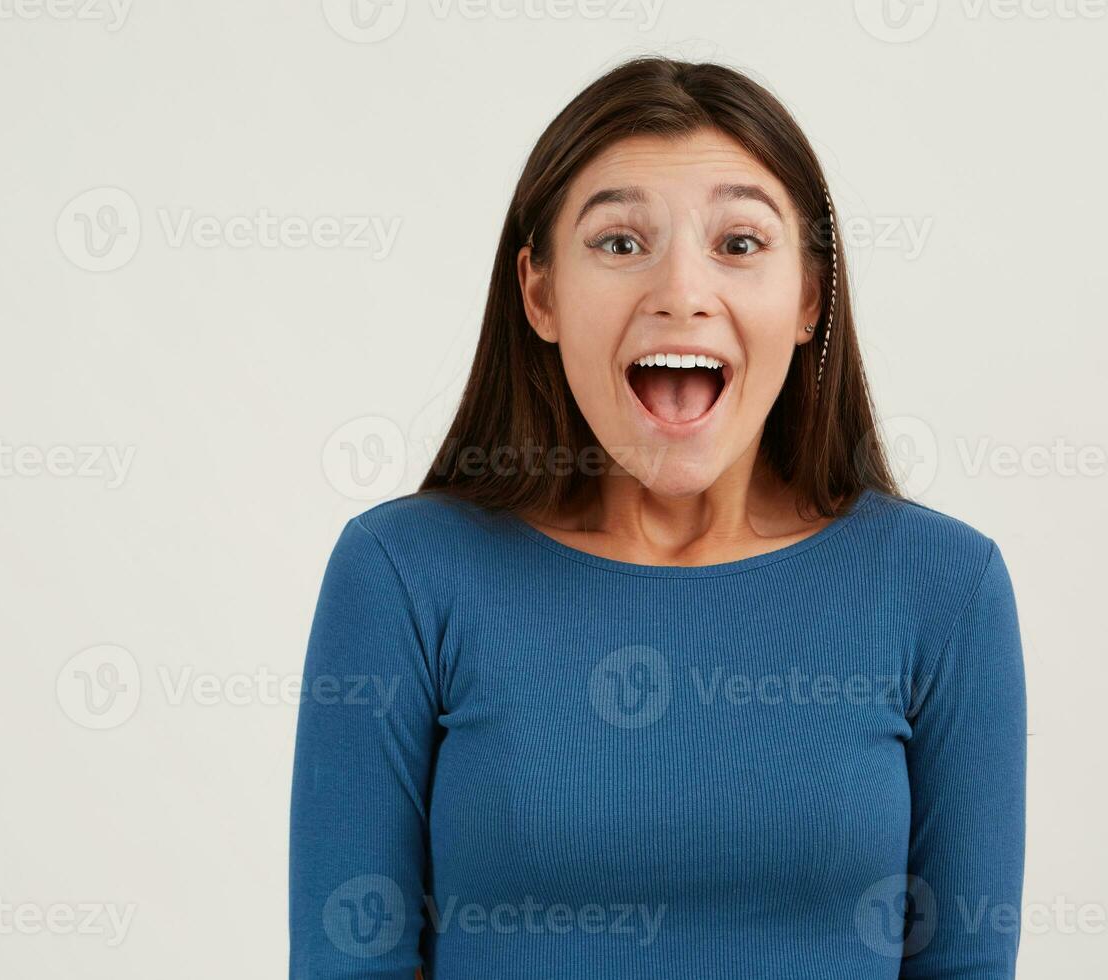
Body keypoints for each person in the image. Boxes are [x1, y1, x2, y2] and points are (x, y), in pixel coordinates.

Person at [289, 55, 1027, 979]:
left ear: (808, 298)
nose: (682, 291)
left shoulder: (945, 591)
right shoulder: (401, 576)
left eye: (741, 243)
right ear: (541, 293)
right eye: (621, 242)